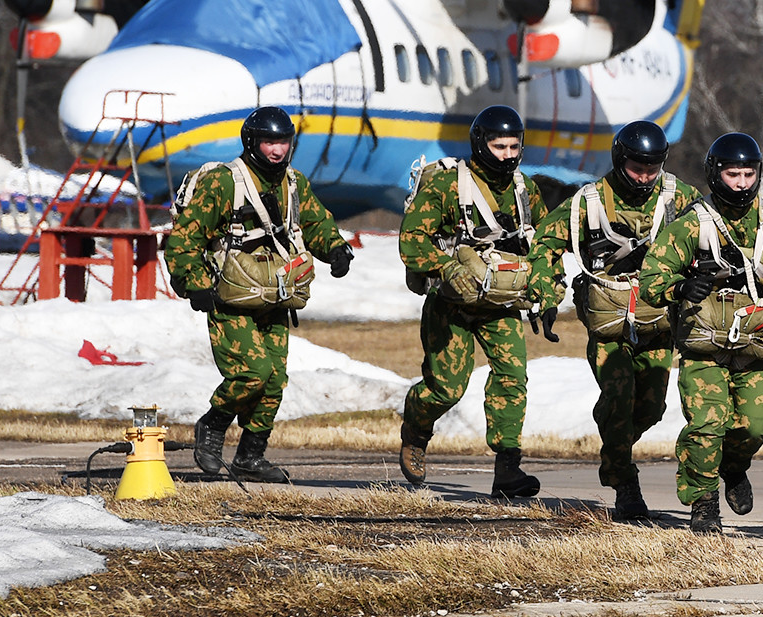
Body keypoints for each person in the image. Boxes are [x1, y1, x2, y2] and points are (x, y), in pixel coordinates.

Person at [637, 133, 763, 533]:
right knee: (707, 425)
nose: (742, 183)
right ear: (715, 174)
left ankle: (734, 465)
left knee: (754, 427)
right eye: (733, 174)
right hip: (703, 343)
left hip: (756, 343)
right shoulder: (693, 223)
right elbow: (651, 282)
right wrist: (681, 288)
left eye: (749, 174)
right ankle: (703, 502)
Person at [167, 106, 354, 484]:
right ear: (252, 142)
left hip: (276, 295)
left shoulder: (294, 183)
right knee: (252, 372)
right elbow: (185, 238)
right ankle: (213, 424)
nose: (277, 150)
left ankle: (250, 458)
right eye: (269, 142)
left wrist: (334, 248)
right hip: (230, 298)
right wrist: (194, 283)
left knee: (273, 382)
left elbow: (316, 222)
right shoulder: (224, 183)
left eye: (283, 142)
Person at [529, 121, 701, 521]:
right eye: (637, 167)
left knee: (651, 407)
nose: (645, 176)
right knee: (619, 399)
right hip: (608, 324)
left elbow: (716, 232)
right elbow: (545, 244)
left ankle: (612, 444)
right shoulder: (588, 202)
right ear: (619, 160)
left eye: (652, 167)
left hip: (659, 322)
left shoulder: (682, 199)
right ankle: (625, 484)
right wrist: (545, 295)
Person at [395, 105, 551, 499]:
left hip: (501, 305)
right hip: (451, 305)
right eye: (500, 146)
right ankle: (416, 429)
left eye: (515, 146)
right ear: (481, 144)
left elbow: (546, 247)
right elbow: (413, 241)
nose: (509, 154)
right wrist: (447, 269)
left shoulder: (525, 191)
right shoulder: (448, 185)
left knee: (512, 381)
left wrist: (547, 295)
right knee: (446, 389)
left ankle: (508, 470)